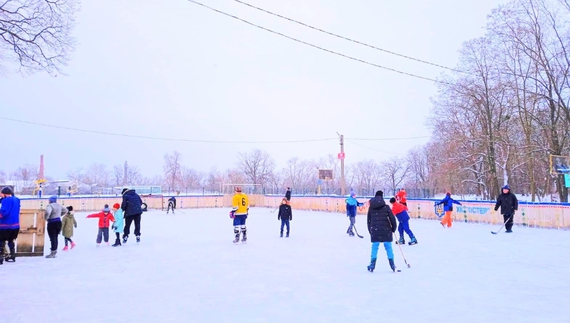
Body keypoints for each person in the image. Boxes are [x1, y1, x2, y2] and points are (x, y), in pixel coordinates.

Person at [366, 190, 398, 273]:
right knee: (388, 246)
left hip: (375, 230)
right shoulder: (386, 207)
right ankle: (392, 264)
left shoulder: (371, 208)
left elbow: (368, 221)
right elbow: (392, 219)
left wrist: (371, 231)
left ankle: (372, 264)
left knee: (375, 246)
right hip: (386, 230)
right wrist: (393, 228)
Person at [0, 186, 20, 264]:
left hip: (5, 225)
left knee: (1, 241)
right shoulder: (17, 200)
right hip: (15, 225)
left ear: (5, 194)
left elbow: (4, 212)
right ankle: (12, 256)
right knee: (11, 241)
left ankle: (0, 258)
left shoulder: (6, 200)